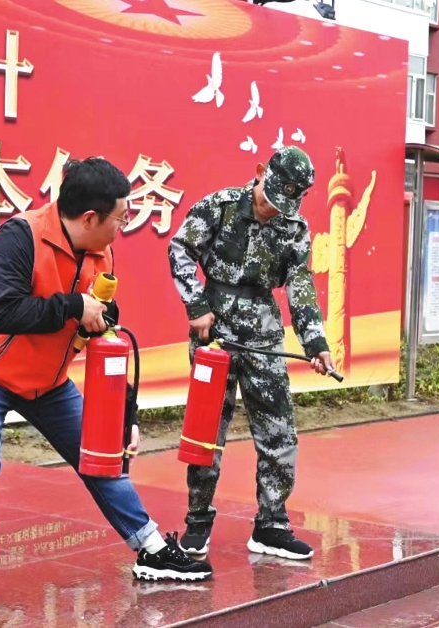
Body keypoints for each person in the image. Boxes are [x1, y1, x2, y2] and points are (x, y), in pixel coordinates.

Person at [0, 157, 213, 617]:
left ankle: (150, 548)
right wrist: (74, 306)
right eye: (120, 219)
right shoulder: (18, 238)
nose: (121, 229)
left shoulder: (101, 255)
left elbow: (106, 330)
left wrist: (124, 415)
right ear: (90, 218)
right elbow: (3, 312)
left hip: (47, 382)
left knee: (101, 454)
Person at [167, 145, 335, 561]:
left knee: (279, 430)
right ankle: (197, 521)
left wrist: (316, 343)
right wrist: (196, 306)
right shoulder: (220, 206)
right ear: (260, 172)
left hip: (264, 335)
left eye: (284, 204)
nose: (273, 209)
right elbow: (180, 248)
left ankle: (271, 525)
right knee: (207, 431)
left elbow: (300, 286)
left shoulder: (294, 227)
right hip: (215, 334)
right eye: (270, 199)